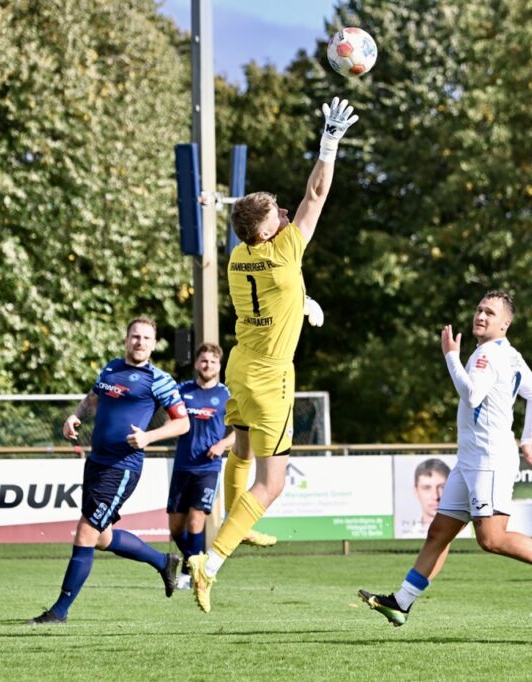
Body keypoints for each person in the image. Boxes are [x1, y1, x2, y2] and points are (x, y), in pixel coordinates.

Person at [187, 96, 358, 613]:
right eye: (275, 214)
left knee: (240, 449)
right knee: (273, 483)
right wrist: (329, 140)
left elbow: (275, 289)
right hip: (270, 377)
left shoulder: (240, 255)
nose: (285, 215)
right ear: (264, 231)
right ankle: (211, 559)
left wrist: (301, 301)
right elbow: (317, 192)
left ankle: (239, 525)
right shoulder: (284, 249)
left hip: (240, 366)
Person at [358, 291, 532, 626]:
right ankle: (401, 603)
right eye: (479, 309)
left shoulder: (486, 355)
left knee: (492, 538)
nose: (480, 316)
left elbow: (472, 393)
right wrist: (528, 440)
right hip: (471, 461)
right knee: (439, 533)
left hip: (488, 461)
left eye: (490, 313)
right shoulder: (509, 354)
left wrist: (451, 356)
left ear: (505, 324)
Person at [28, 318, 190, 624]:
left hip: (123, 466)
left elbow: (182, 423)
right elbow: (93, 399)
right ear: (126, 339)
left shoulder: (159, 379)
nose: (140, 342)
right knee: (101, 537)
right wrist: (75, 416)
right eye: (135, 336)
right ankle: (163, 561)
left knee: (86, 530)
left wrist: (147, 437)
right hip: (96, 462)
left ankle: (58, 612)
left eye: (146, 338)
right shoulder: (111, 368)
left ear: (153, 344)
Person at [167, 343, 234, 590]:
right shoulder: (182, 390)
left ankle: (192, 573)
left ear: (219, 366)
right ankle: (197, 561)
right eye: (204, 361)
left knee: (196, 522)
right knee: (175, 527)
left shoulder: (227, 394)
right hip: (183, 465)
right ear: (197, 364)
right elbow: (169, 418)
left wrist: (222, 445)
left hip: (208, 467)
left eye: (213, 362)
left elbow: (240, 431)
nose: (208, 365)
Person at [410, 458, 450, 535]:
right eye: (427, 488)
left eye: (442, 487)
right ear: (416, 492)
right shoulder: (408, 537)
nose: (435, 496)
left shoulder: (468, 534)